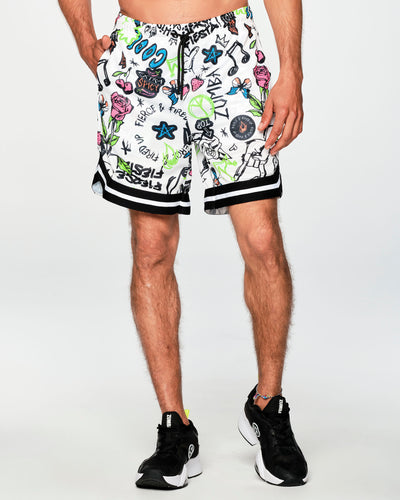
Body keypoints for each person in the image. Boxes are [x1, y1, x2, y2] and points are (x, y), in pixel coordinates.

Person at [58, 0, 307, 490]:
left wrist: (291, 70)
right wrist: (85, 37)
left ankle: (268, 407)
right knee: (151, 246)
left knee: (262, 240)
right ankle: (175, 426)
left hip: (228, 50)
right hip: (141, 54)